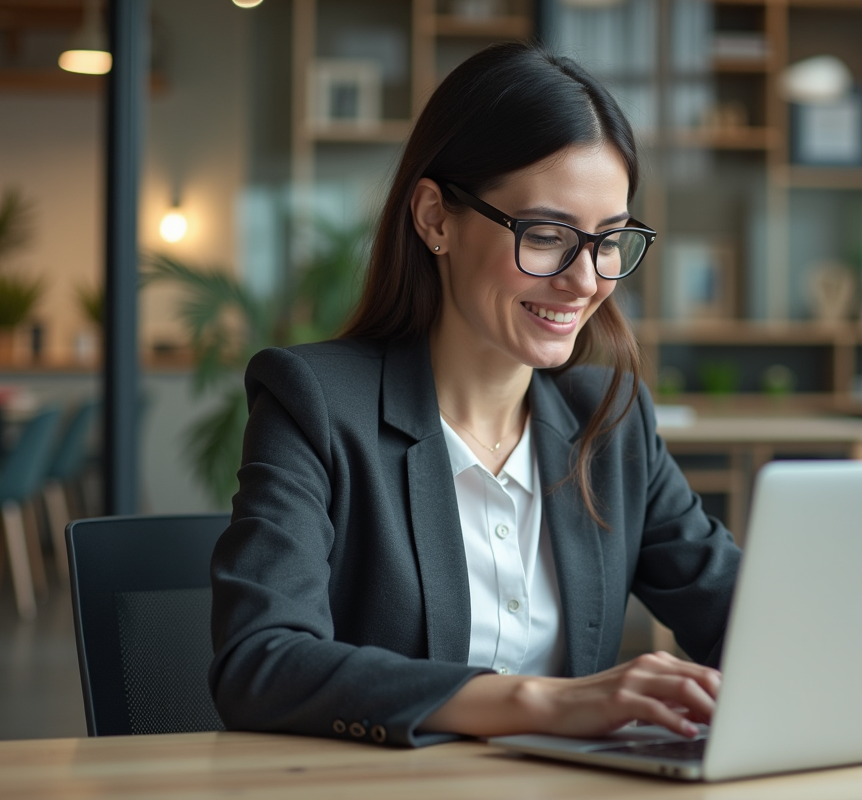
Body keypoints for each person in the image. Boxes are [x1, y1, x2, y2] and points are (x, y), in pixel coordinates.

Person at [209, 43, 742, 748]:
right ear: (435, 218)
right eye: (548, 235)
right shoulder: (315, 405)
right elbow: (260, 662)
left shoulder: (609, 421)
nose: (585, 281)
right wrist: (543, 702)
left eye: (609, 240)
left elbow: (746, 619)